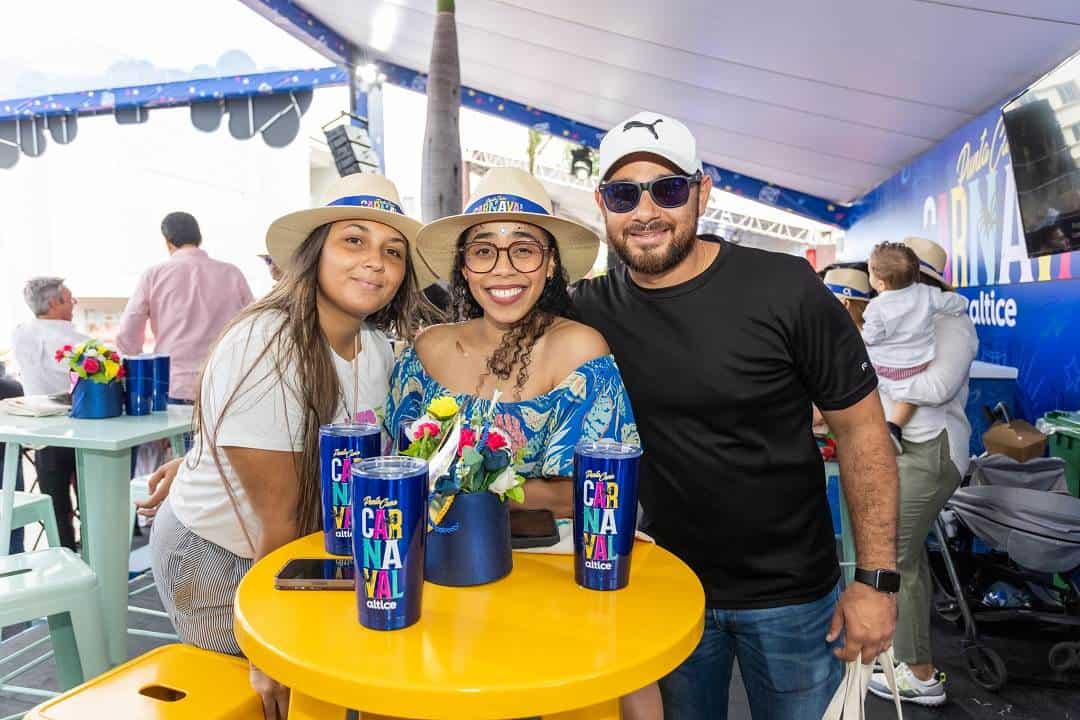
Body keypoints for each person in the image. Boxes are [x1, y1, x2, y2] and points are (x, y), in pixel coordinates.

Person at [572, 112, 899, 720]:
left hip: (793, 599)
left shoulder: (784, 287)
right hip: (665, 589)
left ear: (702, 190)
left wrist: (876, 580)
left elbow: (862, 433)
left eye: (667, 189)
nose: (645, 211)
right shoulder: (589, 311)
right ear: (603, 205)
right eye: (623, 194)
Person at [139, 174, 438, 720]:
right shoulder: (266, 342)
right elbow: (279, 518)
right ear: (314, 253)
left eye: (392, 251)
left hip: (313, 543)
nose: (376, 261)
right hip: (223, 562)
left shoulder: (375, 348)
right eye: (354, 240)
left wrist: (198, 455)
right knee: (347, 677)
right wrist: (269, 647)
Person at [400, 167, 652, 717]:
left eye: (524, 249)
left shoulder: (579, 347)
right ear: (464, 268)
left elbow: (596, 496)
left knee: (618, 687)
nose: (503, 269)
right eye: (484, 251)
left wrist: (470, 485)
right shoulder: (425, 349)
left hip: (556, 571)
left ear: (551, 263)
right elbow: (396, 474)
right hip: (440, 573)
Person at [868, 237, 977, 707]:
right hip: (905, 447)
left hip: (935, 450)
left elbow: (938, 385)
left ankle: (920, 674)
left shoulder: (952, 320)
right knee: (905, 555)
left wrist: (890, 381)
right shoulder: (900, 320)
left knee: (895, 554)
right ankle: (904, 652)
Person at [117, 211, 255, 404]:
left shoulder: (154, 275)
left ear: (168, 242)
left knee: (179, 434)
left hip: (174, 384)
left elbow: (129, 329)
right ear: (199, 238)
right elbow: (254, 323)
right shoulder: (232, 273)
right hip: (225, 384)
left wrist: (133, 360)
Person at [862, 242, 968, 454]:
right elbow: (959, 302)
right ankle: (892, 428)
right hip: (914, 365)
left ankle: (893, 427)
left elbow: (936, 389)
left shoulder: (953, 324)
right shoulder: (929, 298)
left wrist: (882, 382)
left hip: (927, 446)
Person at [11, 277, 88, 550]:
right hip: (84, 436)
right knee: (91, 507)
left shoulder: (20, 335)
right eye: (69, 298)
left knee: (56, 508)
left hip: (43, 438)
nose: (75, 302)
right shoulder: (82, 343)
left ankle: (63, 557)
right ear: (54, 303)